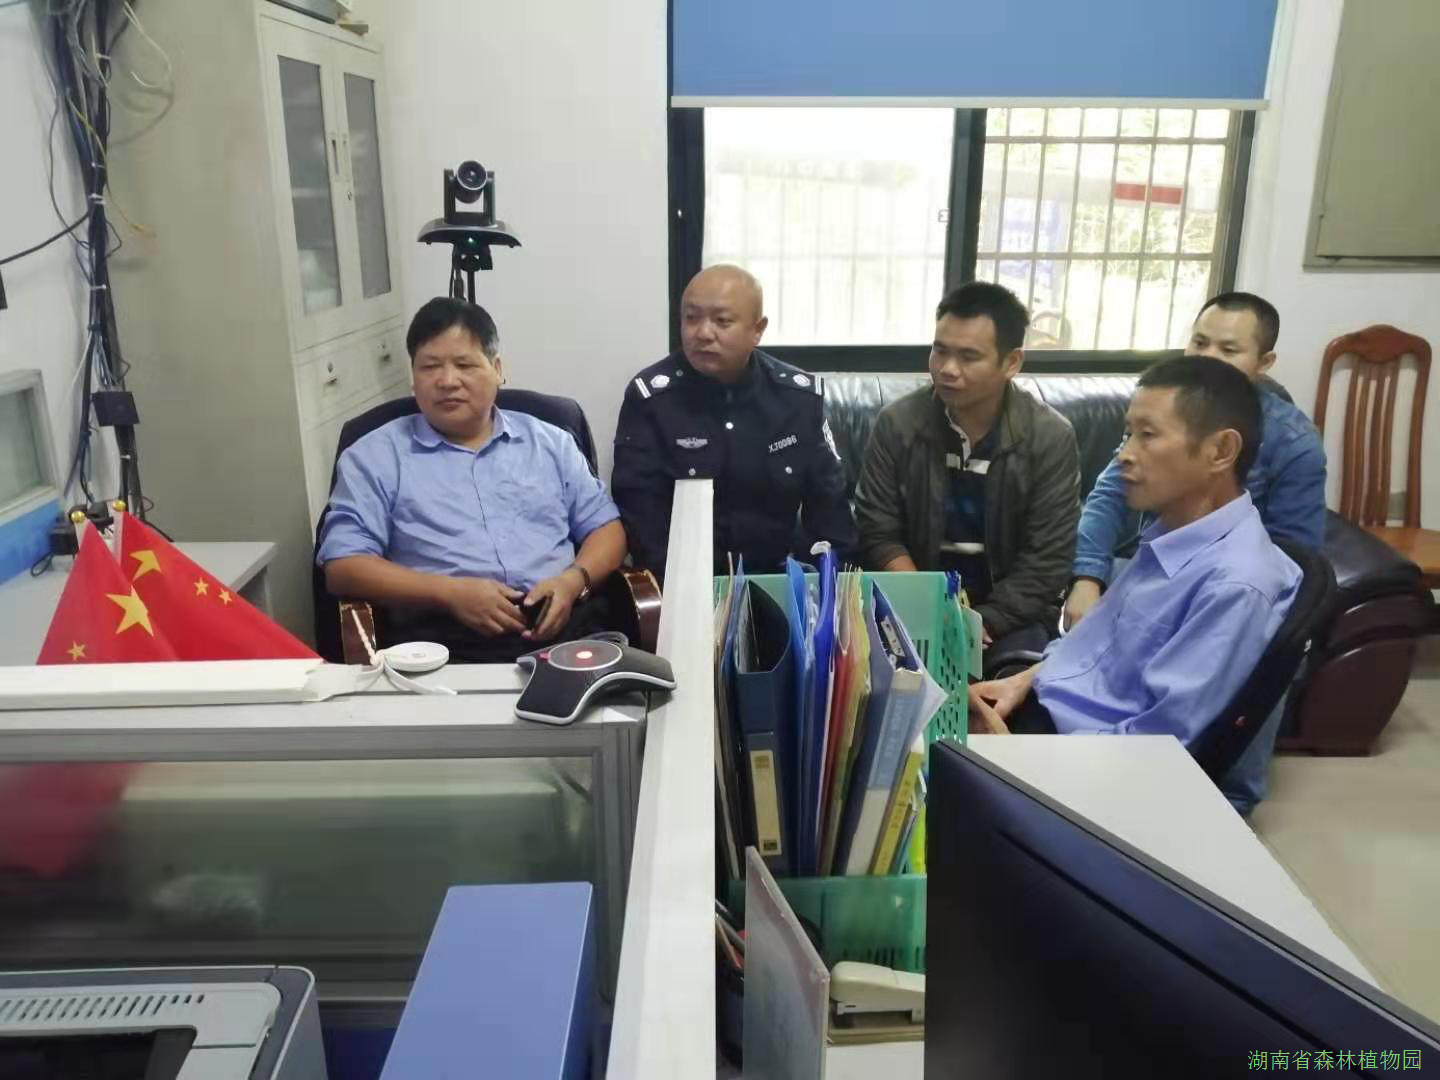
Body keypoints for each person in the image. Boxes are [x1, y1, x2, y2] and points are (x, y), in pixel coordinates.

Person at [968, 356, 1302, 813]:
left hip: (1090, 769)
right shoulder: (1172, 534)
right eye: (1127, 434)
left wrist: (1020, 759)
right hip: (1050, 718)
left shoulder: (1237, 585)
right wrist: (1022, 682)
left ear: (1221, 451)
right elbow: (1092, 652)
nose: (1124, 454)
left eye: (1147, 435)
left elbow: (1152, 753)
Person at [317, 297, 628, 662]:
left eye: (464, 365)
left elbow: (606, 529)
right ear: (413, 377)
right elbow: (344, 566)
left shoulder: (550, 442)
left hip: (562, 629)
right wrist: (450, 594)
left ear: (497, 369)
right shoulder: (374, 456)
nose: (448, 381)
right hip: (440, 644)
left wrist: (572, 581)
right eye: (430, 366)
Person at [1064, 291, 1325, 630]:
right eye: (1200, 343)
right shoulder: (1164, 408)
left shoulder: (1294, 444)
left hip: (1211, 590)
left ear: (1264, 362)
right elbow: (1109, 495)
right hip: (1137, 565)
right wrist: (1087, 577)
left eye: (1228, 350)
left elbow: (1292, 559)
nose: (1208, 358)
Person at [852, 281, 1080, 668]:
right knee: (877, 681)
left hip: (1009, 617)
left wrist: (979, 623)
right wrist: (927, 608)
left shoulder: (1049, 437)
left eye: (968, 356)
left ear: (1012, 362)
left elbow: (1047, 560)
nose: (947, 369)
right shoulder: (898, 424)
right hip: (912, 604)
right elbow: (878, 528)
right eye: (940, 350)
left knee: (1015, 686)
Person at [612, 265, 857, 578]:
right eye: (691, 318)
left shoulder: (797, 400)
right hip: (683, 583)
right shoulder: (651, 399)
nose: (703, 333)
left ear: (757, 330)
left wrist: (831, 588)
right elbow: (641, 518)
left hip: (775, 580)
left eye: (722, 321)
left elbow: (831, 511)